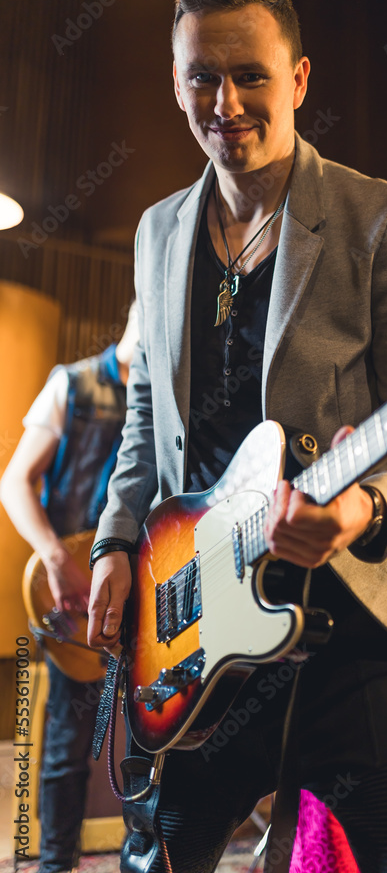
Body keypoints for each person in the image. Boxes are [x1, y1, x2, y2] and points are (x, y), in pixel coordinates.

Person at [86, 0, 387, 873]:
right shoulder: (156, 232)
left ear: (297, 79)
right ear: (175, 82)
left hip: (367, 623)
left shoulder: (385, 220)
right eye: (200, 77)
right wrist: (112, 543)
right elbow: (147, 413)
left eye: (250, 75)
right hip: (198, 633)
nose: (224, 101)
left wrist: (362, 510)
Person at [0, 306, 138, 873]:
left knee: (146, 751)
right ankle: (56, 864)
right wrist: (57, 557)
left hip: (148, 598)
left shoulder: (180, 397)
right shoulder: (73, 383)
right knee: (65, 747)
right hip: (75, 599)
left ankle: (144, 859)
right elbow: (14, 482)